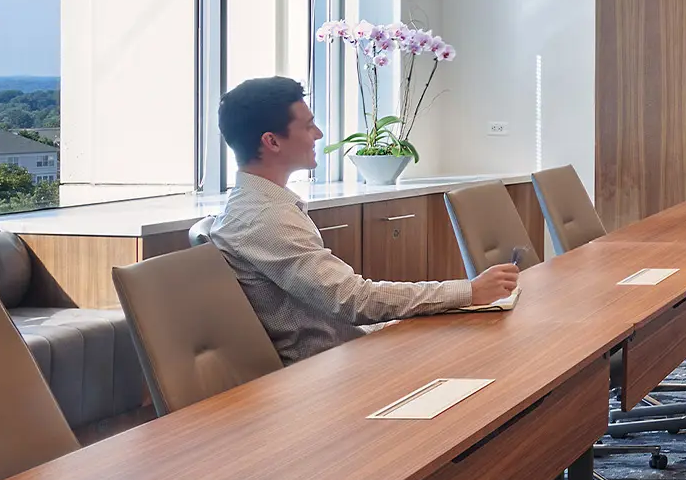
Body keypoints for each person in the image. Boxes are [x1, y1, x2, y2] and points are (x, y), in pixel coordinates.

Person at [204, 76, 518, 363]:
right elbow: (354, 300)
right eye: (308, 126)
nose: (319, 134)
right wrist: (469, 291)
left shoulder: (256, 204)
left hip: (349, 351)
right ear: (272, 142)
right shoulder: (266, 218)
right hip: (333, 368)